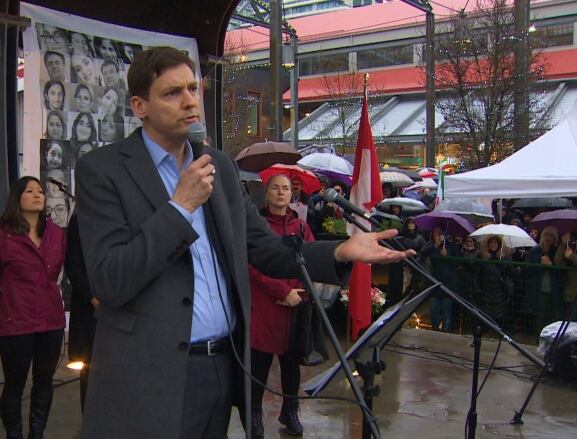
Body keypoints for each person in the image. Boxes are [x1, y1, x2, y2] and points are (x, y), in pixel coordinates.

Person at [74, 46, 413, 438]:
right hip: (152, 377)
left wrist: (337, 250)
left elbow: (263, 248)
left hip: (223, 365)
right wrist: (179, 207)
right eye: (171, 93)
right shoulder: (104, 171)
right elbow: (110, 280)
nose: (189, 102)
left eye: (192, 89)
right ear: (139, 105)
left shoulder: (218, 165)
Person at [0, 176, 66, 439]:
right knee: (15, 384)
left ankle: (37, 434)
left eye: (40, 191)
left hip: (50, 320)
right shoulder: (0, 236)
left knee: (44, 381)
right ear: (17, 198)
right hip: (15, 321)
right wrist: (2, 316)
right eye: (30, 191)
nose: (37, 195)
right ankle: (14, 434)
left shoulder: (56, 233)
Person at [248, 174, 313, 437]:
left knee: (291, 364)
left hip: (294, 303)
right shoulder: (258, 224)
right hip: (265, 304)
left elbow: (310, 259)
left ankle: (290, 409)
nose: (281, 193)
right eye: (275, 188)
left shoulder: (300, 227)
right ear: (267, 193)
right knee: (259, 365)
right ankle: (253, 415)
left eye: (285, 188)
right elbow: (250, 263)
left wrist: (299, 291)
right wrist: (281, 290)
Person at [64, 212, 98, 414]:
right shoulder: (81, 219)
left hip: (125, 307)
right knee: (92, 369)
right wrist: (93, 297)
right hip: (90, 307)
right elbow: (73, 265)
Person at [420, 227, 460, 332]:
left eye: (440, 233)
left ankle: (446, 332)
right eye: (435, 233)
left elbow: (457, 264)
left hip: (448, 284)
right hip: (434, 284)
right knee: (434, 311)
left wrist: (447, 256)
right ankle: (435, 330)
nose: (437, 235)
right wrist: (435, 246)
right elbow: (423, 254)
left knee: (446, 312)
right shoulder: (431, 245)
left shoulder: (452, 246)